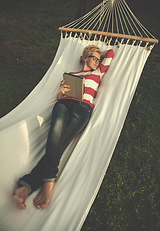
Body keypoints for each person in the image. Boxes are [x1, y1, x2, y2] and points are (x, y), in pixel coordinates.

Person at [13, 45, 114, 209]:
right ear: (84, 58)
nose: (97, 61)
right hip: (64, 104)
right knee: (54, 135)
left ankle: (26, 186)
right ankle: (48, 181)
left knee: (58, 145)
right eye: (93, 58)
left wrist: (98, 51)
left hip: (82, 109)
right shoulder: (72, 75)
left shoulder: (98, 73)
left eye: (98, 59)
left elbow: (110, 54)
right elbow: (59, 97)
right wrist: (61, 92)